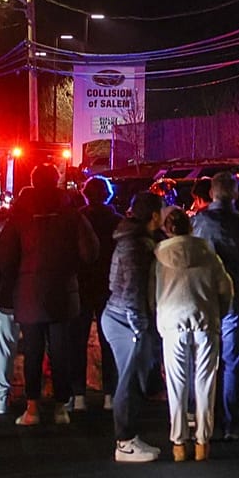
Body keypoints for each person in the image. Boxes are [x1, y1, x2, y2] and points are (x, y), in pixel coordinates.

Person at [0, 165, 100, 427]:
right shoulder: (71, 214)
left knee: (32, 350)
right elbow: (90, 252)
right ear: (57, 181)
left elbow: (5, 256)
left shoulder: (19, 215)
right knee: (61, 350)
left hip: (29, 292)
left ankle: (32, 408)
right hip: (63, 291)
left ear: (32, 181)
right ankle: (60, 407)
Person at [191, 171, 239, 438]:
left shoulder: (198, 224)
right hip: (236, 300)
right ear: (235, 194)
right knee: (232, 362)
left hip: (203, 299)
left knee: (203, 361)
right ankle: (229, 423)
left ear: (211, 193)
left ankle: (203, 420)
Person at [156, 207, 233, 462]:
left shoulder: (160, 257)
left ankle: (179, 441)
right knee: (205, 382)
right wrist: (217, 312)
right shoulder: (208, 255)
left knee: (177, 383)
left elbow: (152, 294)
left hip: (172, 321)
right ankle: (202, 440)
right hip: (204, 320)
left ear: (167, 228)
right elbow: (225, 289)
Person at [102, 192, 164, 463]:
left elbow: (115, 284)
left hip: (115, 315)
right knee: (129, 382)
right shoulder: (139, 247)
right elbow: (133, 292)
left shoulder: (128, 239)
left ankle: (128, 438)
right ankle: (125, 442)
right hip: (126, 321)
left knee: (129, 380)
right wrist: (140, 329)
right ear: (154, 216)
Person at [73, 176, 121, 412]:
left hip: (81, 285)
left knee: (77, 342)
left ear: (85, 194)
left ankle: (78, 394)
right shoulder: (117, 222)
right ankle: (109, 394)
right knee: (108, 341)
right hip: (108, 286)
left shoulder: (78, 219)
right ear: (108, 194)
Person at [0, 188, 28, 415]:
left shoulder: (3, 234)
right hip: (32, 297)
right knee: (36, 349)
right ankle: (35, 399)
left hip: (4, 298)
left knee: (3, 349)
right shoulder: (37, 231)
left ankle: (2, 399)